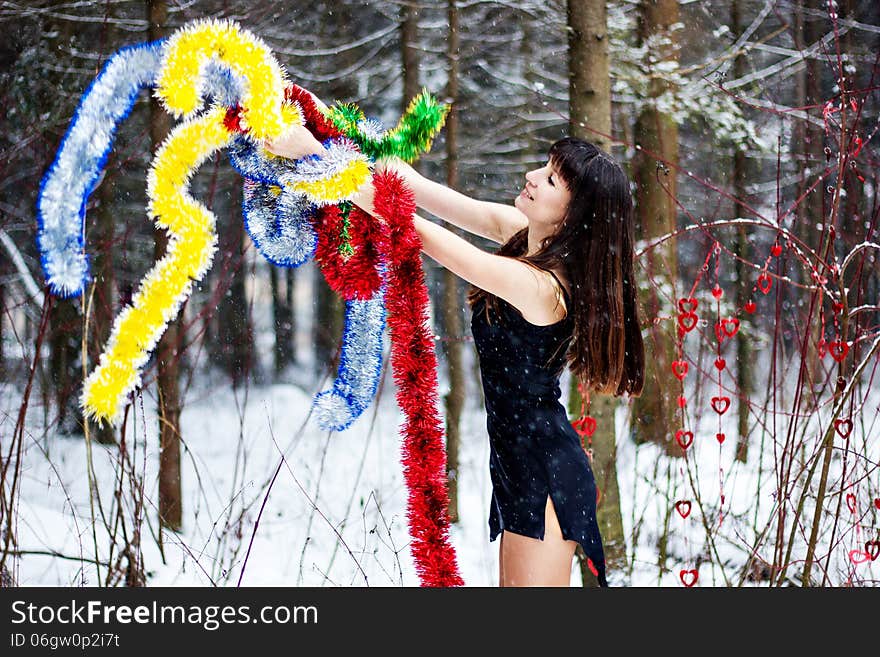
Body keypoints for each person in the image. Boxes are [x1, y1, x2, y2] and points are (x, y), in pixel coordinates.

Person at [266, 118, 645, 587]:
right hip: (517, 465)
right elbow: (416, 186)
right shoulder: (525, 240)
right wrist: (318, 123)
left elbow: (417, 230)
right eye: (544, 167)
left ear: (571, 215)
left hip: (545, 475)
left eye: (550, 179)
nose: (531, 176)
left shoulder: (540, 285)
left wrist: (312, 157)